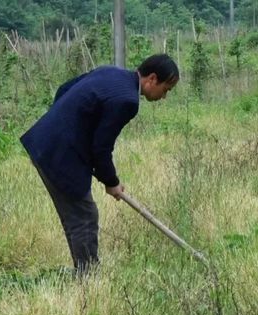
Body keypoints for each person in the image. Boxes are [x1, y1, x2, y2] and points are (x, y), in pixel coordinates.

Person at [20, 54, 179, 275]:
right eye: (166, 89)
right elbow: (101, 148)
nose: (164, 97)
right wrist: (111, 181)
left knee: (77, 214)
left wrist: (61, 124)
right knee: (84, 216)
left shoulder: (110, 71)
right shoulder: (128, 101)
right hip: (58, 154)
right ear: (152, 79)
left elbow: (64, 89)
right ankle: (89, 278)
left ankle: (84, 270)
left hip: (44, 141)